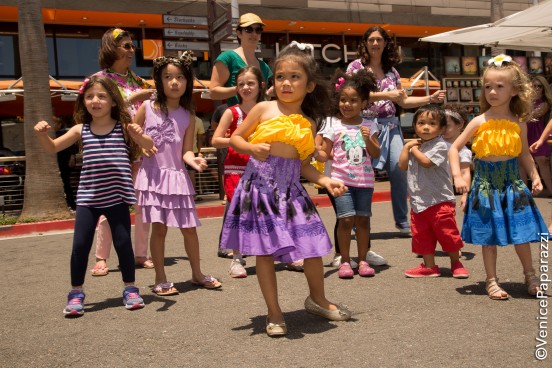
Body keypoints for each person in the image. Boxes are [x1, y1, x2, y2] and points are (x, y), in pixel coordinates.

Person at [220, 41, 352, 337]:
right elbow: (235, 139)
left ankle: (317, 299)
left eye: (294, 77)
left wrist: (324, 180)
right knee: (264, 253)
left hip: (292, 191)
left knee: (313, 246)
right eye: (280, 77)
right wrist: (252, 146)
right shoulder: (263, 108)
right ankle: (274, 312)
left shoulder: (308, 121)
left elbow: (304, 165)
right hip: (260, 189)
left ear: (309, 86)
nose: (286, 83)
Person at [34, 75, 154, 316]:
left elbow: (149, 146)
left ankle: (130, 288)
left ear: (112, 101)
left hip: (117, 197)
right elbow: (52, 147)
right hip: (88, 199)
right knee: (80, 245)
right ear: (83, 102)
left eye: (101, 96)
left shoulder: (124, 128)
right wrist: (41, 134)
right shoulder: (82, 129)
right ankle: (76, 292)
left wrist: (140, 135)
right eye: (89, 97)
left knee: (123, 246)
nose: (95, 101)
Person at [449, 54, 547, 300]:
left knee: (521, 235)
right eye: (488, 86)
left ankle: (530, 276)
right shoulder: (479, 121)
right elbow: (453, 148)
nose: (492, 91)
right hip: (486, 187)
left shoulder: (518, 123)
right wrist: (458, 177)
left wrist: (535, 175)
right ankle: (491, 280)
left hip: (513, 186)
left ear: (514, 90)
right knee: (488, 237)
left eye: (499, 86)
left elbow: (524, 153)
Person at [346, 26, 446, 244]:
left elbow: (403, 101)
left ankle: (401, 220)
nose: (375, 44)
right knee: (361, 173)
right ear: (365, 43)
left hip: (391, 126)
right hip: (365, 126)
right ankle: (355, 221)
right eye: (371, 40)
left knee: (398, 168)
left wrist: (431, 98)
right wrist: (386, 94)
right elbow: (352, 96)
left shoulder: (392, 71)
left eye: (379, 40)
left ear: (385, 44)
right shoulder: (355, 67)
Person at [134, 52, 222, 296]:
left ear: (187, 81)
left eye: (180, 77)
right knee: (159, 229)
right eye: (168, 77)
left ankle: (197, 274)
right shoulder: (146, 108)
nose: (174, 82)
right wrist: (141, 145)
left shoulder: (189, 115)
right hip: (153, 177)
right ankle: (160, 278)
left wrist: (193, 159)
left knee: (189, 228)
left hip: (178, 177)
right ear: (159, 80)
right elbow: (130, 133)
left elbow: (185, 151)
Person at [91, 27, 156, 276]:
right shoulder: (99, 80)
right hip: (114, 150)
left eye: (132, 46)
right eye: (126, 46)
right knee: (111, 204)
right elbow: (94, 112)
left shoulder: (137, 80)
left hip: (140, 151)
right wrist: (133, 98)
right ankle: (101, 258)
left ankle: (141, 254)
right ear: (112, 47)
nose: (131, 51)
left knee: (143, 206)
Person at [319, 69, 380, 278]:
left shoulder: (370, 124)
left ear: (363, 102)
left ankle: (362, 260)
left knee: (363, 220)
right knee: (345, 220)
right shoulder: (331, 123)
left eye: (354, 100)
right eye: (343, 100)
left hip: (365, 181)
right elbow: (324, 154)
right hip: (340, 181)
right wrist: (307, 147)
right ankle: (345, 261)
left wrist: (368, 139)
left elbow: (376, 153)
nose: (347, 104)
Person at [398, 104, 469, 278]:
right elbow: (402, 165)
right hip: (418, 201)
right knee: (422, 236)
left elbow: (426, 162)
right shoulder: (417, 146)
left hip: (439, 200)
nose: (426, 127)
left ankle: (456, 264)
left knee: (448, 234)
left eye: (432, 123)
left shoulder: (441, 145)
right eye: (421, 123)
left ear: (442, 128)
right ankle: (429, 266)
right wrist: (406, 148)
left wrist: (412, 147)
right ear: (414, 126)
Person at [211, 66, 265, 278]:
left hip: (262, 168)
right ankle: (236, 258)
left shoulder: (268, 110)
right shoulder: (230, 112)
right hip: (236, 169)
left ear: (260, 85)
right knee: (238, 213)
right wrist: (241, 141)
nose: (245, 87)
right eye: (241, 84)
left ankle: (273, 254)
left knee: (264, 212)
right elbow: (215, 140)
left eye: (250, 83)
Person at [209, 13, 272, 107]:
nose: (254, 34)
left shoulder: (264, 66)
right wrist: (241, 89)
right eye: (249, 29)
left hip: (260, 118)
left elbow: (267, 95)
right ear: (239, 33)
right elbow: (213, 92)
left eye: (258, 30)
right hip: (237, 118)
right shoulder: (227, 58)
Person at [521, 76, 552, 194]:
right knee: (522, 163)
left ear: (544, 88)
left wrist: (525, 114)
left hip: (538, 133)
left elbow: (532, 114)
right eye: (534, 85)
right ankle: (525, 193)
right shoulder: (525, 100)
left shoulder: (545, 102)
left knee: (542, 161)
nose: (536, 88)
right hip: (524, 132)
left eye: (539, 86)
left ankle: (550, 190)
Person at [443, 103, 472, 210]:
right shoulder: (434, 141)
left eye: (447, 125)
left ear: (460, 124)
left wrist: (465, 194)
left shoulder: (463, 151)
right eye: (441, 124)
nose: (443, 128)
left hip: (445, 192)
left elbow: (465, 172)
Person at [53, 116, 78, 213]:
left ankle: (71, 204)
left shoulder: (64, 133)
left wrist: (72, 157)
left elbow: (72, 146)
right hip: (57, 161)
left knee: (66, 183)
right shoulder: (54, 134)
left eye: (54, 123)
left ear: (59, 124)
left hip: (64, 161)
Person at [187, 115, 206, 200]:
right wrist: (199, 152)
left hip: (181, 150)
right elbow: (200, 139)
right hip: (193, 150)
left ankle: (189, 194)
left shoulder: (179, 116)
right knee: (191, 173)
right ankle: (193, 194)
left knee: (185, 172)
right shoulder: (198, 120)